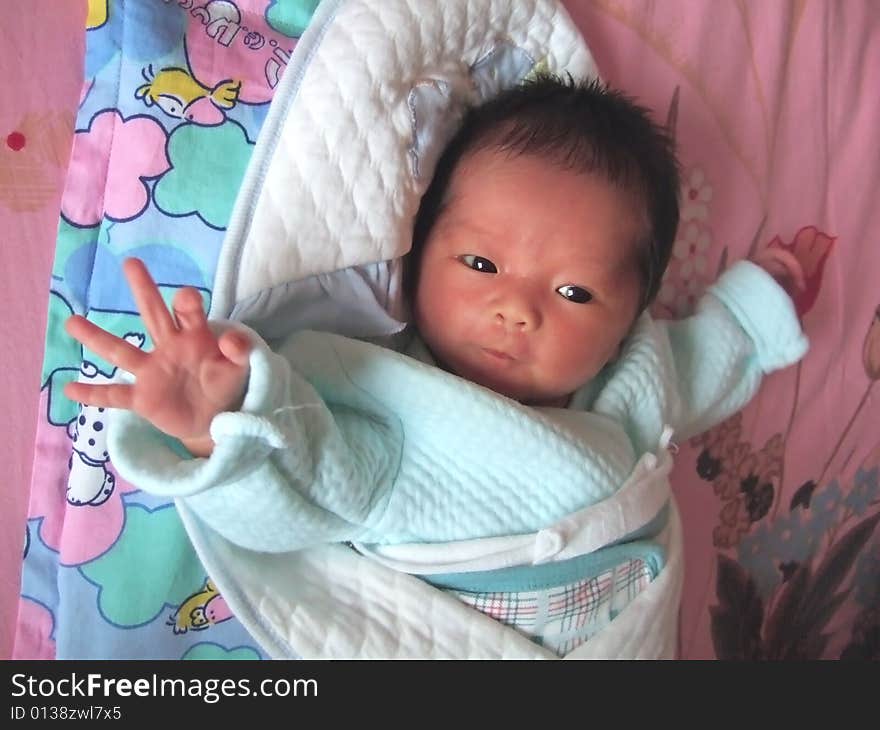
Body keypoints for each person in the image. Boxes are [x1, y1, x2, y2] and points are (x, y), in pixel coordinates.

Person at [64, 75, 808, 638]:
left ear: (629, 319)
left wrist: (760, 299)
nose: (518, 309)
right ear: (416, 256)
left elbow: (709, 359)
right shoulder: (389, 401)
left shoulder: (636, 381)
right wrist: (218, 421)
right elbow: (292, 493)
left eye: (577, 292)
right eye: (481, 265)